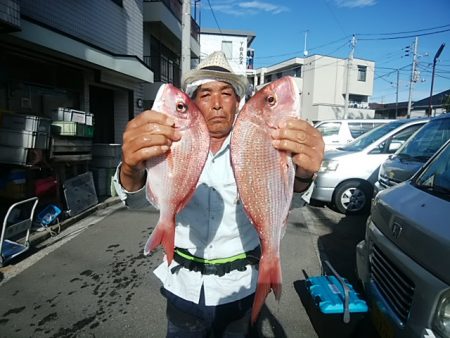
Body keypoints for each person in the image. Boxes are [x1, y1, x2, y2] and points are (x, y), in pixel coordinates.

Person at [113, 51, 324, 337]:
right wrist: (130, 168)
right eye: (205, 94)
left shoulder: (258, 140)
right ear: (193, 102)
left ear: (238, 101)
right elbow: (137, 201)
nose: (215, 104)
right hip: (182, 285)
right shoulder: (172, 141)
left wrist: (303, 174)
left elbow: (288, 201)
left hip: (238, 287)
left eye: (226, 93)